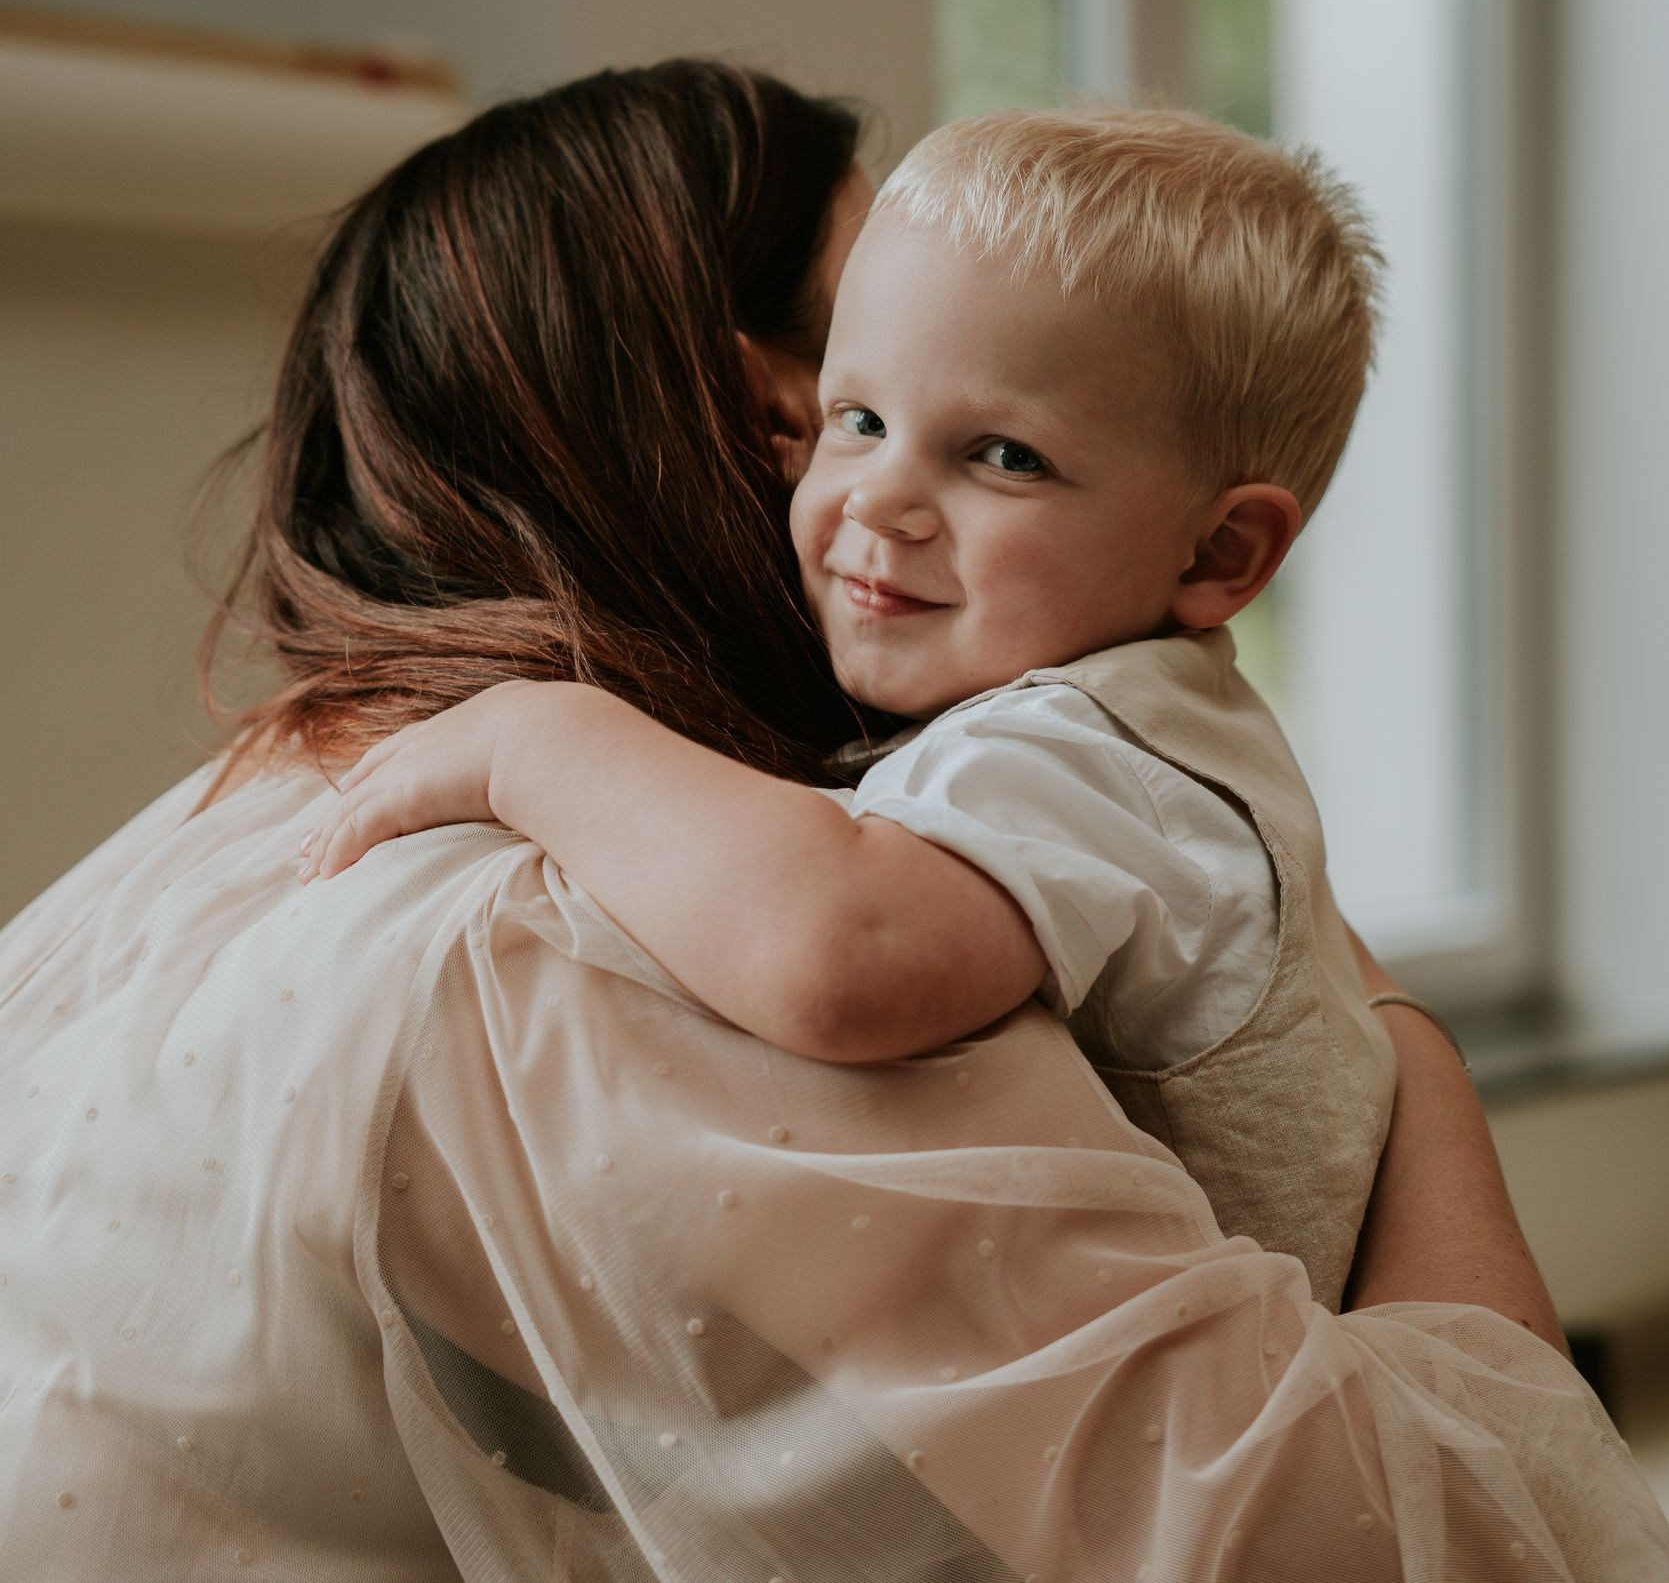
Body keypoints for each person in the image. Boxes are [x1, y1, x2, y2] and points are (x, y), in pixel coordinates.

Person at [0, 61, 1669, 1581]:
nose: (894, 477)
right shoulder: (604, 927)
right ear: (766, 426)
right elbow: (1402, 1549)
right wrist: (1417, 1068)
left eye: (996, 427)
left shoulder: (274, 791)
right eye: (868, 390)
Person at [302, 105, 1400, 1310]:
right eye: (859, 421)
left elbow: (842, 955)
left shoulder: (1107, 751)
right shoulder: (1075, 708)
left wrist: (535, 737)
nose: (881, 502)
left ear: (1217, 552)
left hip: (1236, 1434)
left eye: (1003, 457)